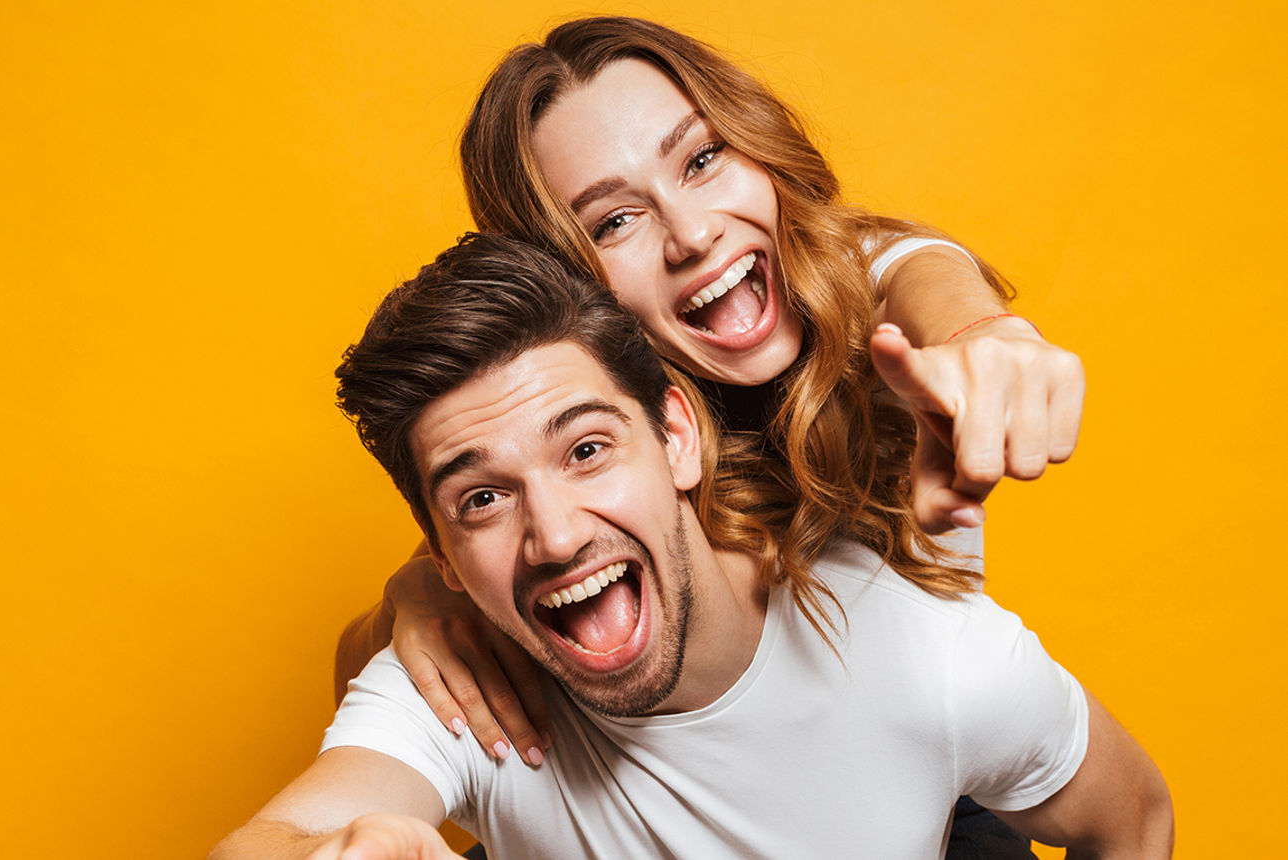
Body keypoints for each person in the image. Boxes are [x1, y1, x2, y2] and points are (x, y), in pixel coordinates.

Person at [212, 234, 1170, 860]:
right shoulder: (473, 687)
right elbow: (272, 835)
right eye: (484, 498)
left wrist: (968, 314)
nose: (554, 533)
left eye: (587, 449)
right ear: (442, 557)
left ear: (678, 435)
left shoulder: (933, 659)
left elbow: (1134, 821)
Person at [337, 19, 1090, 781]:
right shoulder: (601, 454)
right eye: (615, 221)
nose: (693, 234)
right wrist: (418, 600)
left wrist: (983, 331)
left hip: (952, 787)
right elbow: (437, 588)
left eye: (702, 159)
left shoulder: (856, 300)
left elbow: (911, 266)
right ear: (565, 281)